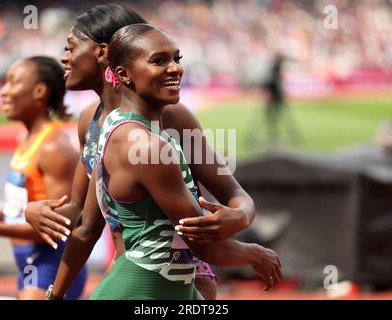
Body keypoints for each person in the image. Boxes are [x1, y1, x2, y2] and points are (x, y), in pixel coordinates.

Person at [25, 4, 272, 300]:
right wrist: (33, 211)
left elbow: (232, 190)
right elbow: (83, 218)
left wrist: (240, 217)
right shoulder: (91, 123)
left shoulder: (171, 117)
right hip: (134, 270)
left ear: (104, 53)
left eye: (71, 47)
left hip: (184, 273)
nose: (64, 57)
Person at [0, 56, 87, 300]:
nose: (3, 91)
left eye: (13, 82)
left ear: (39, 92)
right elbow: (25, 208)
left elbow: (59, 225)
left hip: (52, 263)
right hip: (29, 262)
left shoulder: (54, 147)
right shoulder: (26, 139)